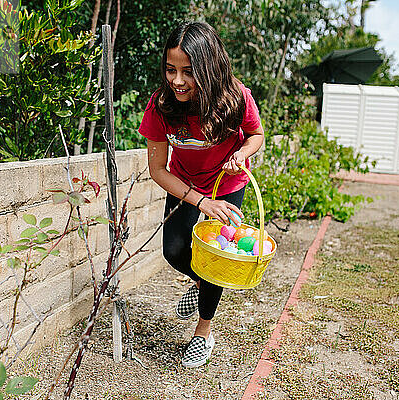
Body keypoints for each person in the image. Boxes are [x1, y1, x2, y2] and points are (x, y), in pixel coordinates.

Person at [138, 21, 264, 368]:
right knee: (175, 250)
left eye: (188, 72)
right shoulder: (162, 105)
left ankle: (203, 332)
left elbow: (257, 135)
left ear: (208, 68)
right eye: (170, 69)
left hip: (228, 184)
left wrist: (243, 153)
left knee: (215, 258)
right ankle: (199, 280)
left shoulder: (236, 97)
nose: (177, 80)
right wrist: (201, 201)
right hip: (185, 182)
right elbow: (158, 170)